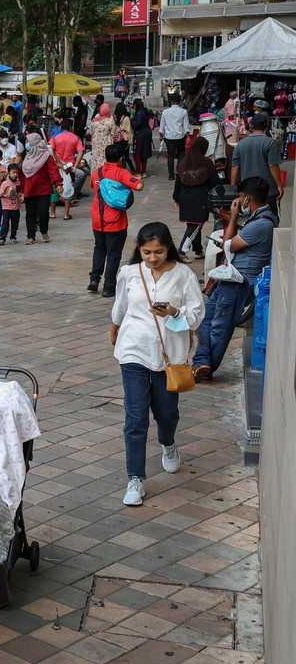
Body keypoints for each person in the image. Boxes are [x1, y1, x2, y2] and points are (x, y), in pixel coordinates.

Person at [109, 223, 204, 507]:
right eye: (147, 252)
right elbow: (121, 306)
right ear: (139, 249)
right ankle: (135, 479)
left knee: (167, 412)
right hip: (133, 351)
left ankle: (168, 443)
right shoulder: (129, 273)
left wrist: (174, 311)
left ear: (168, 248)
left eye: (158, 252)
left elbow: (197, 315)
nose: (152, 257)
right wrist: (114, 326)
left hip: (169, 357)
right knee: (135, 418)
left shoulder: (183, 275)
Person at [194, 178, 276, 381]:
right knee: (204, 319)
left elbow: (228, 244)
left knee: (220, 326)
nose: (238, 201)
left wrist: (232, 217)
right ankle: (202, 362)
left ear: (247, 198)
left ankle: (206, 368)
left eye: (240, 197)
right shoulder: (259, 219)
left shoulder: (262, 223)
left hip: (239, 281)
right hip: (230, 278)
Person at [89, 143, 143, 297]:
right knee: (113, 254)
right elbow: (138, 186)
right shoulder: (122, 173)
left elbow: (94, 187)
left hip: (98, 220)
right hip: (116, 222)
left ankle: (94, 280)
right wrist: (139, 178)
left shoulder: (96, 173)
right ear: (120, 158)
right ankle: (108, 287)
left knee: (99, 249)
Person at [173, 136, 220, 260]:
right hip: (200, 198)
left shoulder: (183, 160)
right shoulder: (206, 162)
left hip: (184, 196)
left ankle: (198, 250)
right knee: (195, 225)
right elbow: (215, 182)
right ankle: (181, 252)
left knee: (193, 223)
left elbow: (177, 181)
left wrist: (176, 197)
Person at [231, 115, 284, 215]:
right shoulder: (270, 143)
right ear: (266, 126)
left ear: (252, 126)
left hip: (247, 192)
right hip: (268, 192)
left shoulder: (240, 144)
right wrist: (279, 185)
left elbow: (235, 168)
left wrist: (233, 189)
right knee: (270, 221)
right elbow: (273, 166)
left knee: (249, 221)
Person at [19, 132, 61, 246]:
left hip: (43, 190)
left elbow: (53, 170)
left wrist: (58, 184)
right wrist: (21, 190)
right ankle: (30, 236)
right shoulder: (26, 157)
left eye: (29, 142)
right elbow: (22, 175)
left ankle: (44, 231)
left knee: (43, 213)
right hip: (29, 190)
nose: (27, 145)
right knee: (30, 214)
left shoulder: (47, 156)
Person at [49, 119, 85, 220]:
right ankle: (66, 214)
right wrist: (75, 166)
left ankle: (52, 213)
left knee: (55, 189)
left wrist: (58, 162)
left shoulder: (55, 137)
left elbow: (50, 150)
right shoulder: (75, 138)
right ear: (71, 127)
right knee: (68, 188)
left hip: (56, 167)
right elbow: (81, 151)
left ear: (61, 127)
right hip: (69, 168)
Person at [159, 93, 190, 181]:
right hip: (180, 137)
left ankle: (171, 175)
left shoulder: (165, 112)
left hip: (169, 137)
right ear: (179, 101)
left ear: (171, 101)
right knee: (181, 155)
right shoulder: (183, 111)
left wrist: (161, 135)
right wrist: (187, 136)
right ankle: (179, 173)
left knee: (170, 156)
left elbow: (162, 126)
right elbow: (186, 126)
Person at [0, 164, 24, 245]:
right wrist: (7, 195)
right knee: (5, 223)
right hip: (6, 208)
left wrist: (21, 196)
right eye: (13, 172)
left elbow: (20, 193)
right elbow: (0, 194)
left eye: (17, 173)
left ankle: (13, 236)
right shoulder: (5, 183)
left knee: (15, 223)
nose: (15, 174)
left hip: (16, 207)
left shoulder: (18, 182)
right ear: (8, 173)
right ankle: (2, 238)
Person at [131, 98, 154, 176]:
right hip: (147, 134)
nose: (133, 107)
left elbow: (136, 124)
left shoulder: (139, 113)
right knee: (145, 153)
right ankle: (144, 171)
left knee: (137, 154)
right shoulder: (146, 111)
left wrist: (132, 120)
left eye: (133, 105)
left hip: (140, 135)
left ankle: (138, 172)